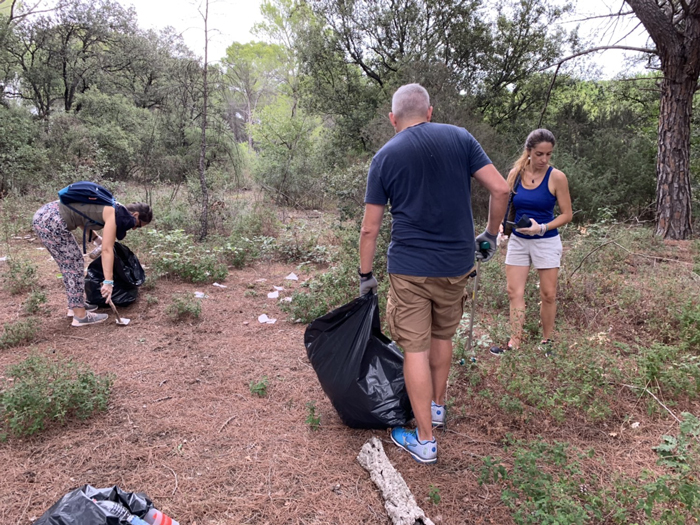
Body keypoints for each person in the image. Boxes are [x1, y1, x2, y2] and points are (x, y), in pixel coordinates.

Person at [359, 83, 509, 464]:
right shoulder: (460, 138)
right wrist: (490, 234)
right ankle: (437, 408)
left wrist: (365, 275)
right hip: (458, 264)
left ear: (393, 119)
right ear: (429, 111)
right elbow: (500, 189)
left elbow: (370, 228)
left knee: (415, 349)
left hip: (411, 269)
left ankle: (424, 440)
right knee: (443, 334)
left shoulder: (385, 156)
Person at [489, 129, 572, 356]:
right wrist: (499, 225)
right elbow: (506, 205)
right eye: (539, 154)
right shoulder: (515, 174)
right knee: (513, 291)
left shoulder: (557, 177)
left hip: (546, 241)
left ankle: (547, 342)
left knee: (548, 294)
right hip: (519, 240)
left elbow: (567, 214)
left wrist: (542, 227)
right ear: (529, 152)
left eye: (548, 154)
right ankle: (514, 342)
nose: (544, 159)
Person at [32, 191, 152, 326]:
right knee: (72, 264)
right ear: (135, 215)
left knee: (72, 263)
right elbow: (107, 250)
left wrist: (96, 238)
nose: (135, 229)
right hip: (50, 221)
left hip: (46, 215)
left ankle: (75, 306)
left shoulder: (114, 206)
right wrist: (108, 282)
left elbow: (83, 217)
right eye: (138, 225)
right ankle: (80, 316)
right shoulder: (114, 214)